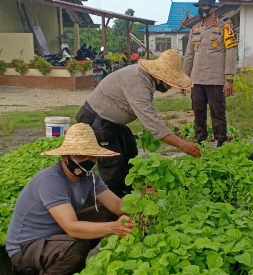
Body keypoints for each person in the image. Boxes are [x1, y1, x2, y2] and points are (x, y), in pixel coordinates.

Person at [5, 123, 136, 275]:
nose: (88, 161)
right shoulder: (51, 180)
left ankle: (67, 264)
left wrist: (143, 196)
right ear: (65, 156)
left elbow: (117, 205)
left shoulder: (90, 177)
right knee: (77, 246)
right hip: (25, 249)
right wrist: (113, 228)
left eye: (92, 156)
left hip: (55, 235)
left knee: (106, 213)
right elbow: (72, 228)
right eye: (81, 156)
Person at [76, 49, 201, 197]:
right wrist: (183, 145)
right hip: (96, 118)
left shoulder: (145, 79)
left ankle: (127, 196)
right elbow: (152, 123)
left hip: (111, 120)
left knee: (129, 152)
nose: (171, 86)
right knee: (112, 164)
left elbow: (147, 114)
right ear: (159, 76)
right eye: (170, 82)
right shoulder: (138, 82)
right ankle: (109, 205)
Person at [183, 0, 238, 146]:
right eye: (200, 7)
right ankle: (200, 140)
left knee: (217, 112)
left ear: (213, 8)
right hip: (197, 79)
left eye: (205, 6)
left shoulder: (224, 28)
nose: (202, 9)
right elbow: (189, 55)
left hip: (215, 79)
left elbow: (231, 53)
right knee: (198, 111)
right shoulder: (194, 29)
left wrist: (229, 79)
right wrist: (184, 78)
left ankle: (220, 141)